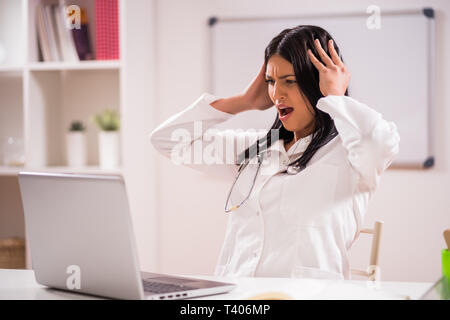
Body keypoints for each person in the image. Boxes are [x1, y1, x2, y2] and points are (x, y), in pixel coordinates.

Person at [150, 25, 400, 280]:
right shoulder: (257, 149)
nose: (276, 94)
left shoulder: (349, 155)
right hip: (238, 296)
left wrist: (336, 97)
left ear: (318, 83)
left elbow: (378, 141)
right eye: (271, 82)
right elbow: (168, 141)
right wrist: (243, 101)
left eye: (289, 82)